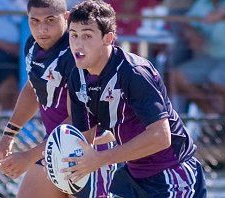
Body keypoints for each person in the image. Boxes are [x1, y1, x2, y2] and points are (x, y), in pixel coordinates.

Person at [62, 1, 207, 197]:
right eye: (73, 35)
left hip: (170, 171)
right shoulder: (77, 77)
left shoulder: (133, 73)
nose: (78, 44)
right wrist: (62, 162)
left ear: (108, 38)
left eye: (87, 35)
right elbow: (85, 141)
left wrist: (100, 158)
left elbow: (161, 137)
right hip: (132, 174)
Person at [0, 0, 117, 198]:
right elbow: (34, 87)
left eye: (50, 20)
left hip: (91, 148)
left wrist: (29, 156)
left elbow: (79, 119)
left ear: (66, 18)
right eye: (35, 21)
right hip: (54, 146)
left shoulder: (77, 54)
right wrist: (9, 135)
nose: (42, 29)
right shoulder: (33, 46)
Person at [169, 0, 225, 114]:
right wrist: (190, 33)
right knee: (177, 77)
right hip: (214, 57)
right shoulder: (202, 4)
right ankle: (213, 118)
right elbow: (187, 23)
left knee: (219, 78)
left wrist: (222, 12)